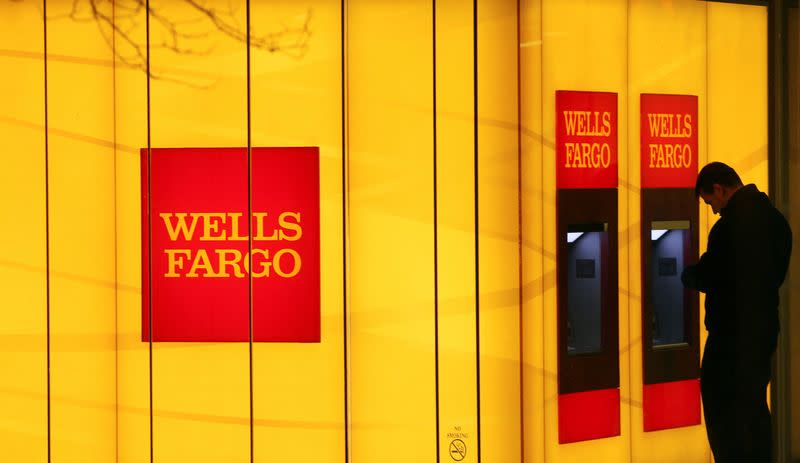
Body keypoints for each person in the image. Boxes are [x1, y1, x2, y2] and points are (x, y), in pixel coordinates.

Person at [681, 162, 792, 462]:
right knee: (754, 409)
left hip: (729, 339)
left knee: (723, 417)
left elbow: (711, 275)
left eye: (710, 202)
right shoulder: (777, 222)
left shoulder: (728, 228)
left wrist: (687, 275)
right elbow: (777, 276)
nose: (714, 210)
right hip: (764, 333)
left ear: (719, 189)